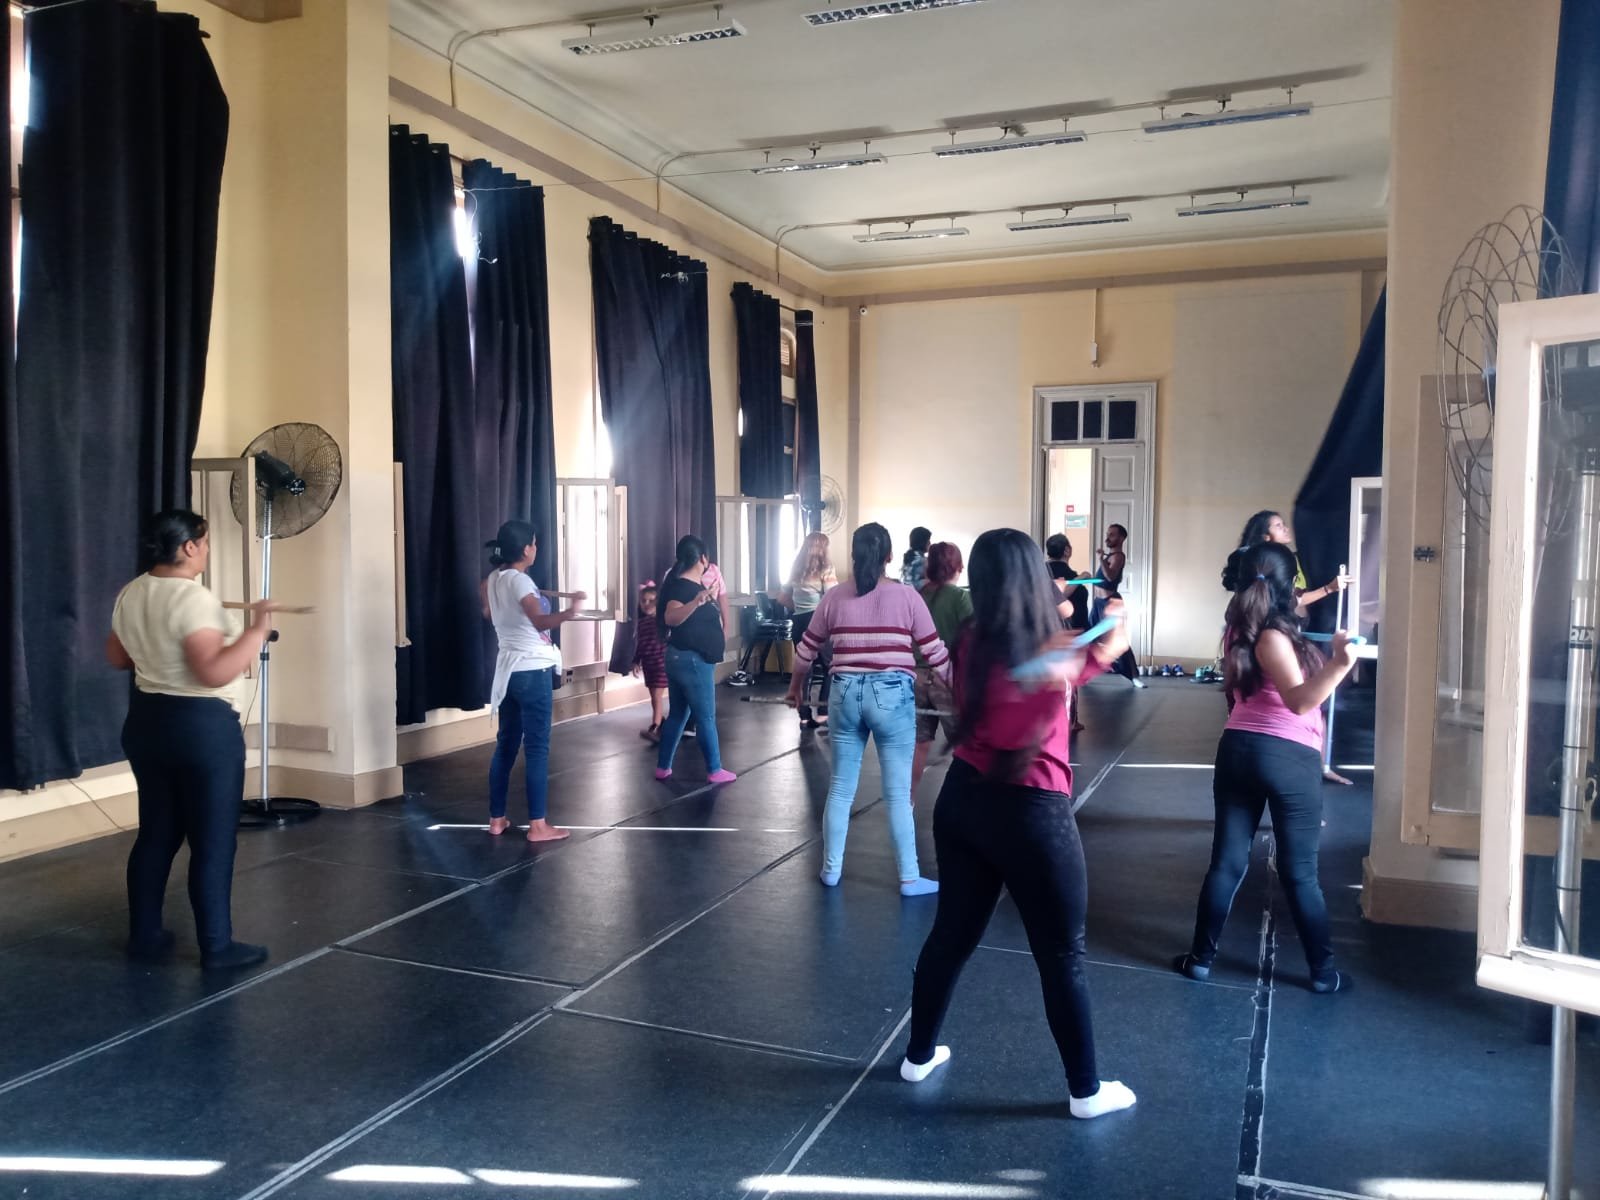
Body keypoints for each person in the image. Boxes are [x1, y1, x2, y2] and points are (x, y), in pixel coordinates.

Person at [898, 528, 1136, 1120]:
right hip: (1030, 816)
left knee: (950, 937)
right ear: (1033, 578)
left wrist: (1078, 611)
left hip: (963, 804)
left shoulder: (976, 637)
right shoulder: (1044, 650)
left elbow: (1052, 644)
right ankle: (1085, 1091)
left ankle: (917, 1056)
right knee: (1062, 955)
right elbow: (1103, 653)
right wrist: (1118, 617)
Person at [1177, 541, 1357, 994]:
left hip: (1239, 750)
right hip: (1286, 755)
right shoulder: (1272, 637)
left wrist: (1329, 591)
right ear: (1286, 584)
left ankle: (1200, 960)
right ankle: (1322, 973)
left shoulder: (1241, 627)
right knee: (1300, 873)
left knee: (1227, 864)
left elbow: (1291, 605)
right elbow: (1300, 702)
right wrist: (1338, 664)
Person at [106, 509, 276, 969]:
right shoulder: (195, 598)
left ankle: (145, 937)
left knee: (157, 833)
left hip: (146, 724)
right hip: (201, 731)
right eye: (204, 543)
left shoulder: (131, 591)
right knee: (213, 840)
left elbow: (118, 657)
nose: (206, 552)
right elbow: (213, 671)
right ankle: (217, 947)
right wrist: (256, 631)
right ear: (188, 547)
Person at [788, 523, 946, 896]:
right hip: (892, 696)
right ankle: (909, 878)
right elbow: (937, 655)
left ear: (854, 555)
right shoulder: (907, 598)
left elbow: (806, 651)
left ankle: (831, 870)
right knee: (897, 793)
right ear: (889, 556)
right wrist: (965, 694)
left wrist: (795, 690)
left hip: (843, 695)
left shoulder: (835, 597)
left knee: (841, 789)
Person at [1225, 510, 1354, 784]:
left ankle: (1318, 767)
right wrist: (1340, 663)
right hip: (1273, 739)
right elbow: (1299, 703)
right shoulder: (1267, 632)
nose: (1286, 529)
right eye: (1278, 526)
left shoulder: (1283, 571)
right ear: (1264, 535)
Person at [482, 520, 585, 842]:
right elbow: (540, 621)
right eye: (535, 543)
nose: (536, 548)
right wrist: (572, 611)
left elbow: (490, 614)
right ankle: (538, 826)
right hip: (533, 671)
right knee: (538, 748)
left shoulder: (494, 580)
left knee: (506, 746)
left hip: (509, 672)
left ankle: (496, 819)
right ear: (526, 548)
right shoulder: (519, 582)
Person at [655, 535, 737, 784]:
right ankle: (714, 769)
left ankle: (663, 767)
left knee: (679, 714)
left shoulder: (690, 585)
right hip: (691, 662)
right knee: (706, 717)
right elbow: (671, 617)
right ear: (702, 558)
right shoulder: (682, 588)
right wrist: (696, 601)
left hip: (684, 659)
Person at [911, 542, 971, 791]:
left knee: (918, 744)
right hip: (947, 677)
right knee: (963, 744)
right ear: (959, 567)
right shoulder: (960, 597)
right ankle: (966, 800)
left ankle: (908, 800)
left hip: (915, 677)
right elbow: (973, 637)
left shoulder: (918, 596)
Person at [780, 531, 837, 729]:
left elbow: (782, 597)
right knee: (831, 666)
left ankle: (804, 716)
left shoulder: (796, 569)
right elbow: (831, 598)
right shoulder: (826, 568)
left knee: (805, 669)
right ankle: (823, 711)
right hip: (819, 622)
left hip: (798, 622)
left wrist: (799, 609)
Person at [1045, 533, 1089, 732]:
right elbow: (1059, 595)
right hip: (1069, 632)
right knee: (1070, 677)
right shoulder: (1070, 577)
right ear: (1067, 550)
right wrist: (1082, 578)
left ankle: (1059, 717)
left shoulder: (1041, 573)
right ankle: (1070, 720)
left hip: (1047, 631)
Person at [1093, 524, 1143, 687]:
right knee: (1090, 636)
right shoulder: (1109, 557)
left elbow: (1109, 576)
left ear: (1121, 538)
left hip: (1110, 604)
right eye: (1107, 534)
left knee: (1118, 640)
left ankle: (1133, 675)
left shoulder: (1118, 556)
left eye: (1112, 535)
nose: (1108, 537)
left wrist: (1100, 558)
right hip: (1098, 603)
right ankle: (1091, 669)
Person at [630, 582, 668, 742]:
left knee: (657, 695)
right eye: (643, 601)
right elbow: (640, 644)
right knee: (653, 695)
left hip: (661, 663)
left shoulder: (662, 621)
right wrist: (635, 661)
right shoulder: (641, 623)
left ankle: (655, 725)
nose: (647, 604)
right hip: (649, 664)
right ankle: (661, 721)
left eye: (651, 600)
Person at [901, 526, 932, 590]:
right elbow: (913, 584)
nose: (930, 543)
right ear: (922, 542)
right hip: (914, 592)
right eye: (928, 541)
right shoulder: (922, 560)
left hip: (904, 590)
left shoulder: (909, 556)